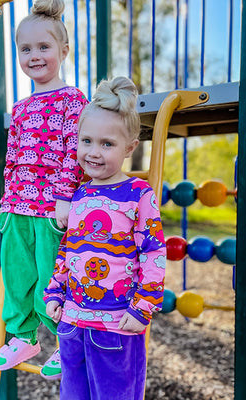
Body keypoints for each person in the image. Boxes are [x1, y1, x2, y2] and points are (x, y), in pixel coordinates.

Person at [44, 76, 166, 399]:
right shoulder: (80, 194)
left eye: (107, 144)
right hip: (72, 324)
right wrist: (56, 291)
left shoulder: (138, 194)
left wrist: (144, 306)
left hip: (116, 326)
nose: (94, 153)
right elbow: (69, 249)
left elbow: (154, 254)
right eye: (87, 141)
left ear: (130, 147)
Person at [0, 0, 88, 381]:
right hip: (17, 209)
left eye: (43, 47)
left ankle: (65, 342)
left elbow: (73, 153)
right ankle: (23, 336)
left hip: (52, 209)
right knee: (16, 275)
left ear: (63, 52)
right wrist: (4, 202)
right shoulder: (19, 109)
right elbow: (12, 158)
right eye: (25, 49)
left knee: (53, 277)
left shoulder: (73, 101)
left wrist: (65, 199)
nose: (34, 56)